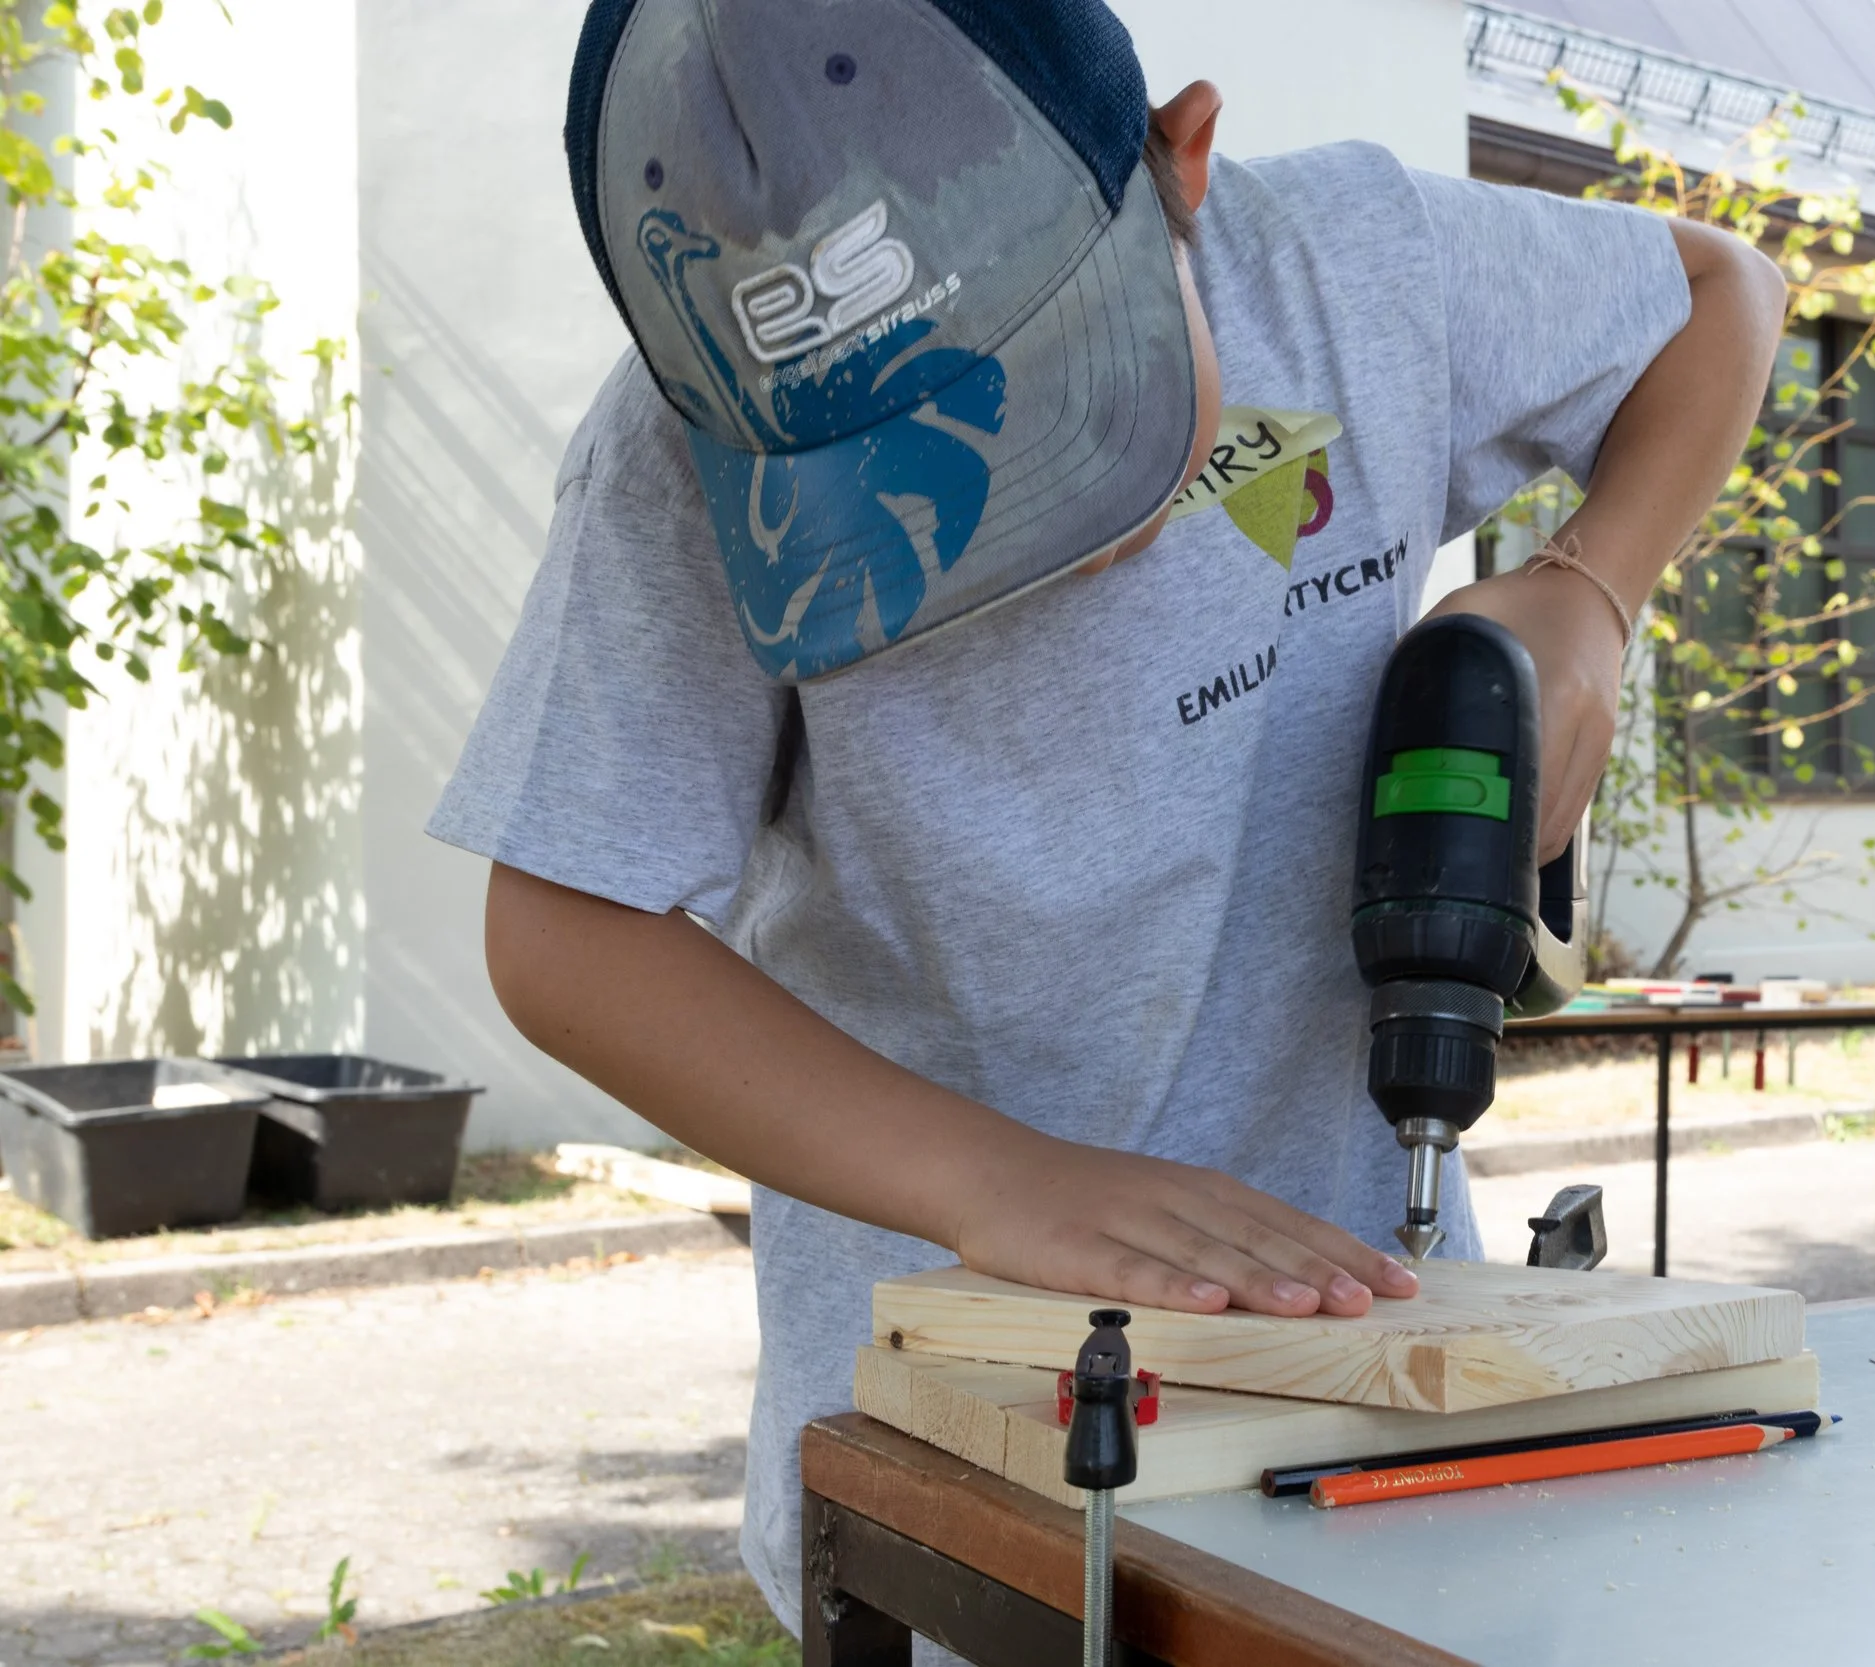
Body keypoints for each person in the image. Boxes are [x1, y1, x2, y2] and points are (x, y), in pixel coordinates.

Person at [428, 0, 1785, 1629]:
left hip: (1361, 1364)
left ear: (1181, 163)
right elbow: (566, 928)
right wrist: (994, 1180)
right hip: (955, 1435)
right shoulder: (675, 466)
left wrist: (1589, 590)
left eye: (1074, 405)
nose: (1032, 536)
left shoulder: (1353, 266)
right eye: (920, 479)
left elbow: (1722, 293)